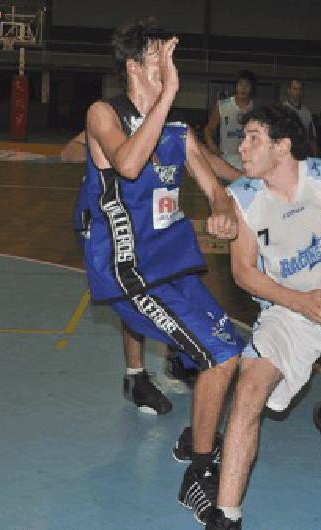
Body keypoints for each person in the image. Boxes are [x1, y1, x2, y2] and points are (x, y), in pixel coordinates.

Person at [73, 17, 245, 525]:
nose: (169, 69)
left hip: (173, 267)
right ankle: (198, 472)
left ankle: (196, 439)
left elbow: (212, 180)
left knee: (229, 349)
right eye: (157, 60)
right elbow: (127, 164)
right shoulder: (103, 114)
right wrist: (168, 93)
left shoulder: (177, 128)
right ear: (133, 66)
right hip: (129, 269)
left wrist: (222, 207)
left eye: (171, 60)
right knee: (219, 356)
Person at [202, 103, 321, 529]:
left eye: (253, 138)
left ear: (283, 147)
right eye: (242, 137)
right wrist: (299, 302)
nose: (242, 146)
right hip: (287, 310)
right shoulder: (244, 199)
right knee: (249, 391)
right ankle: (226, 516)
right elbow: (243, 273)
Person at [204, 69, 257, 171]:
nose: (243, 88)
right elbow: (208, 130)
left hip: (250, 161)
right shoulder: (223, 105)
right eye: (240, 84)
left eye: (247, 85)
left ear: (252, 88)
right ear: (235, 86)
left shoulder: (256, 108)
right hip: (227, 161)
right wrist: (213, 148)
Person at [283, 78, 319, 156]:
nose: (298, 92)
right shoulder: (282, 110)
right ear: (289, 90)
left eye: (300, 89)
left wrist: (316, 157)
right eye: (295, 89)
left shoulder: (306, 112)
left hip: (303, 153)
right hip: (287, 153)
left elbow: (311, 137)